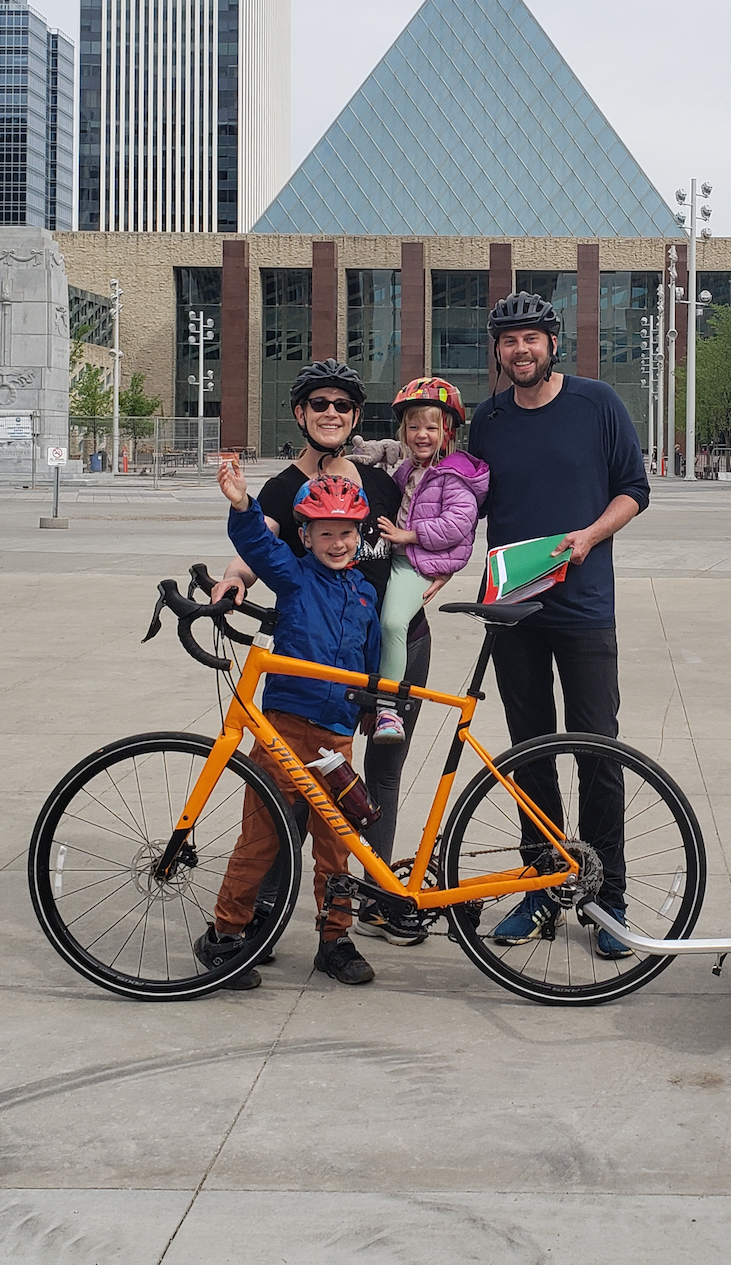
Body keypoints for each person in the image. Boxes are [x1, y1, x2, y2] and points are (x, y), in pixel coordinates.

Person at [213, 360, 436, 946]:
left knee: (374, 787)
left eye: (341, 406)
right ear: (301, 415)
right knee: (280, 808)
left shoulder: (381, 484)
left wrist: (431, 580)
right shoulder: (286, 490)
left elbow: (423, 540)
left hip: (384, 647)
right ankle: (261, 914)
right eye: (319, 405)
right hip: (308, 674)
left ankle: (379, 900)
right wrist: (234, 580)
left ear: (356, 416)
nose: (330, 414)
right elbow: (262, 544)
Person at [463, 292, 649, 958]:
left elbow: (635, 488)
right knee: (530, 752)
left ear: (552, 342)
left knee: (599, 751)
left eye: (531, 339)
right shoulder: (487, 419)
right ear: (498, 351)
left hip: (584, 608)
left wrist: (590, 536)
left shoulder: (597, 404)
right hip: (513, 609)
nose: (520, 350)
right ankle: (541, 888)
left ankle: (607, 898)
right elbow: (466, 507)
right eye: (508, 341)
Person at [202, 461, 383, 989]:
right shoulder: (295, 575)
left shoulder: (366, 593)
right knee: (262, 838)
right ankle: (226, 936)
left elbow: (369, 656)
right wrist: (241, 503)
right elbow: (258, 545)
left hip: (336, 737)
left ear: (359, 535)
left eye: (346, 532)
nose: (336, 543)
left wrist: (369, 704)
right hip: (283, 727)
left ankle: (335, 940)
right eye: (324, 532)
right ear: (305, 535)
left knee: (335, 846)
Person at [372, 378, 487, 740]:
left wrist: (410, 535)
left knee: (392, 624)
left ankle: (388, 710)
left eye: (431, 427)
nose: (422, 434)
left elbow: (457, 523)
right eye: (414, 426)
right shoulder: (408, 471)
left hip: (415, 563)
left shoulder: (454, 476)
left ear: (448, 431)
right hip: (396, 558)